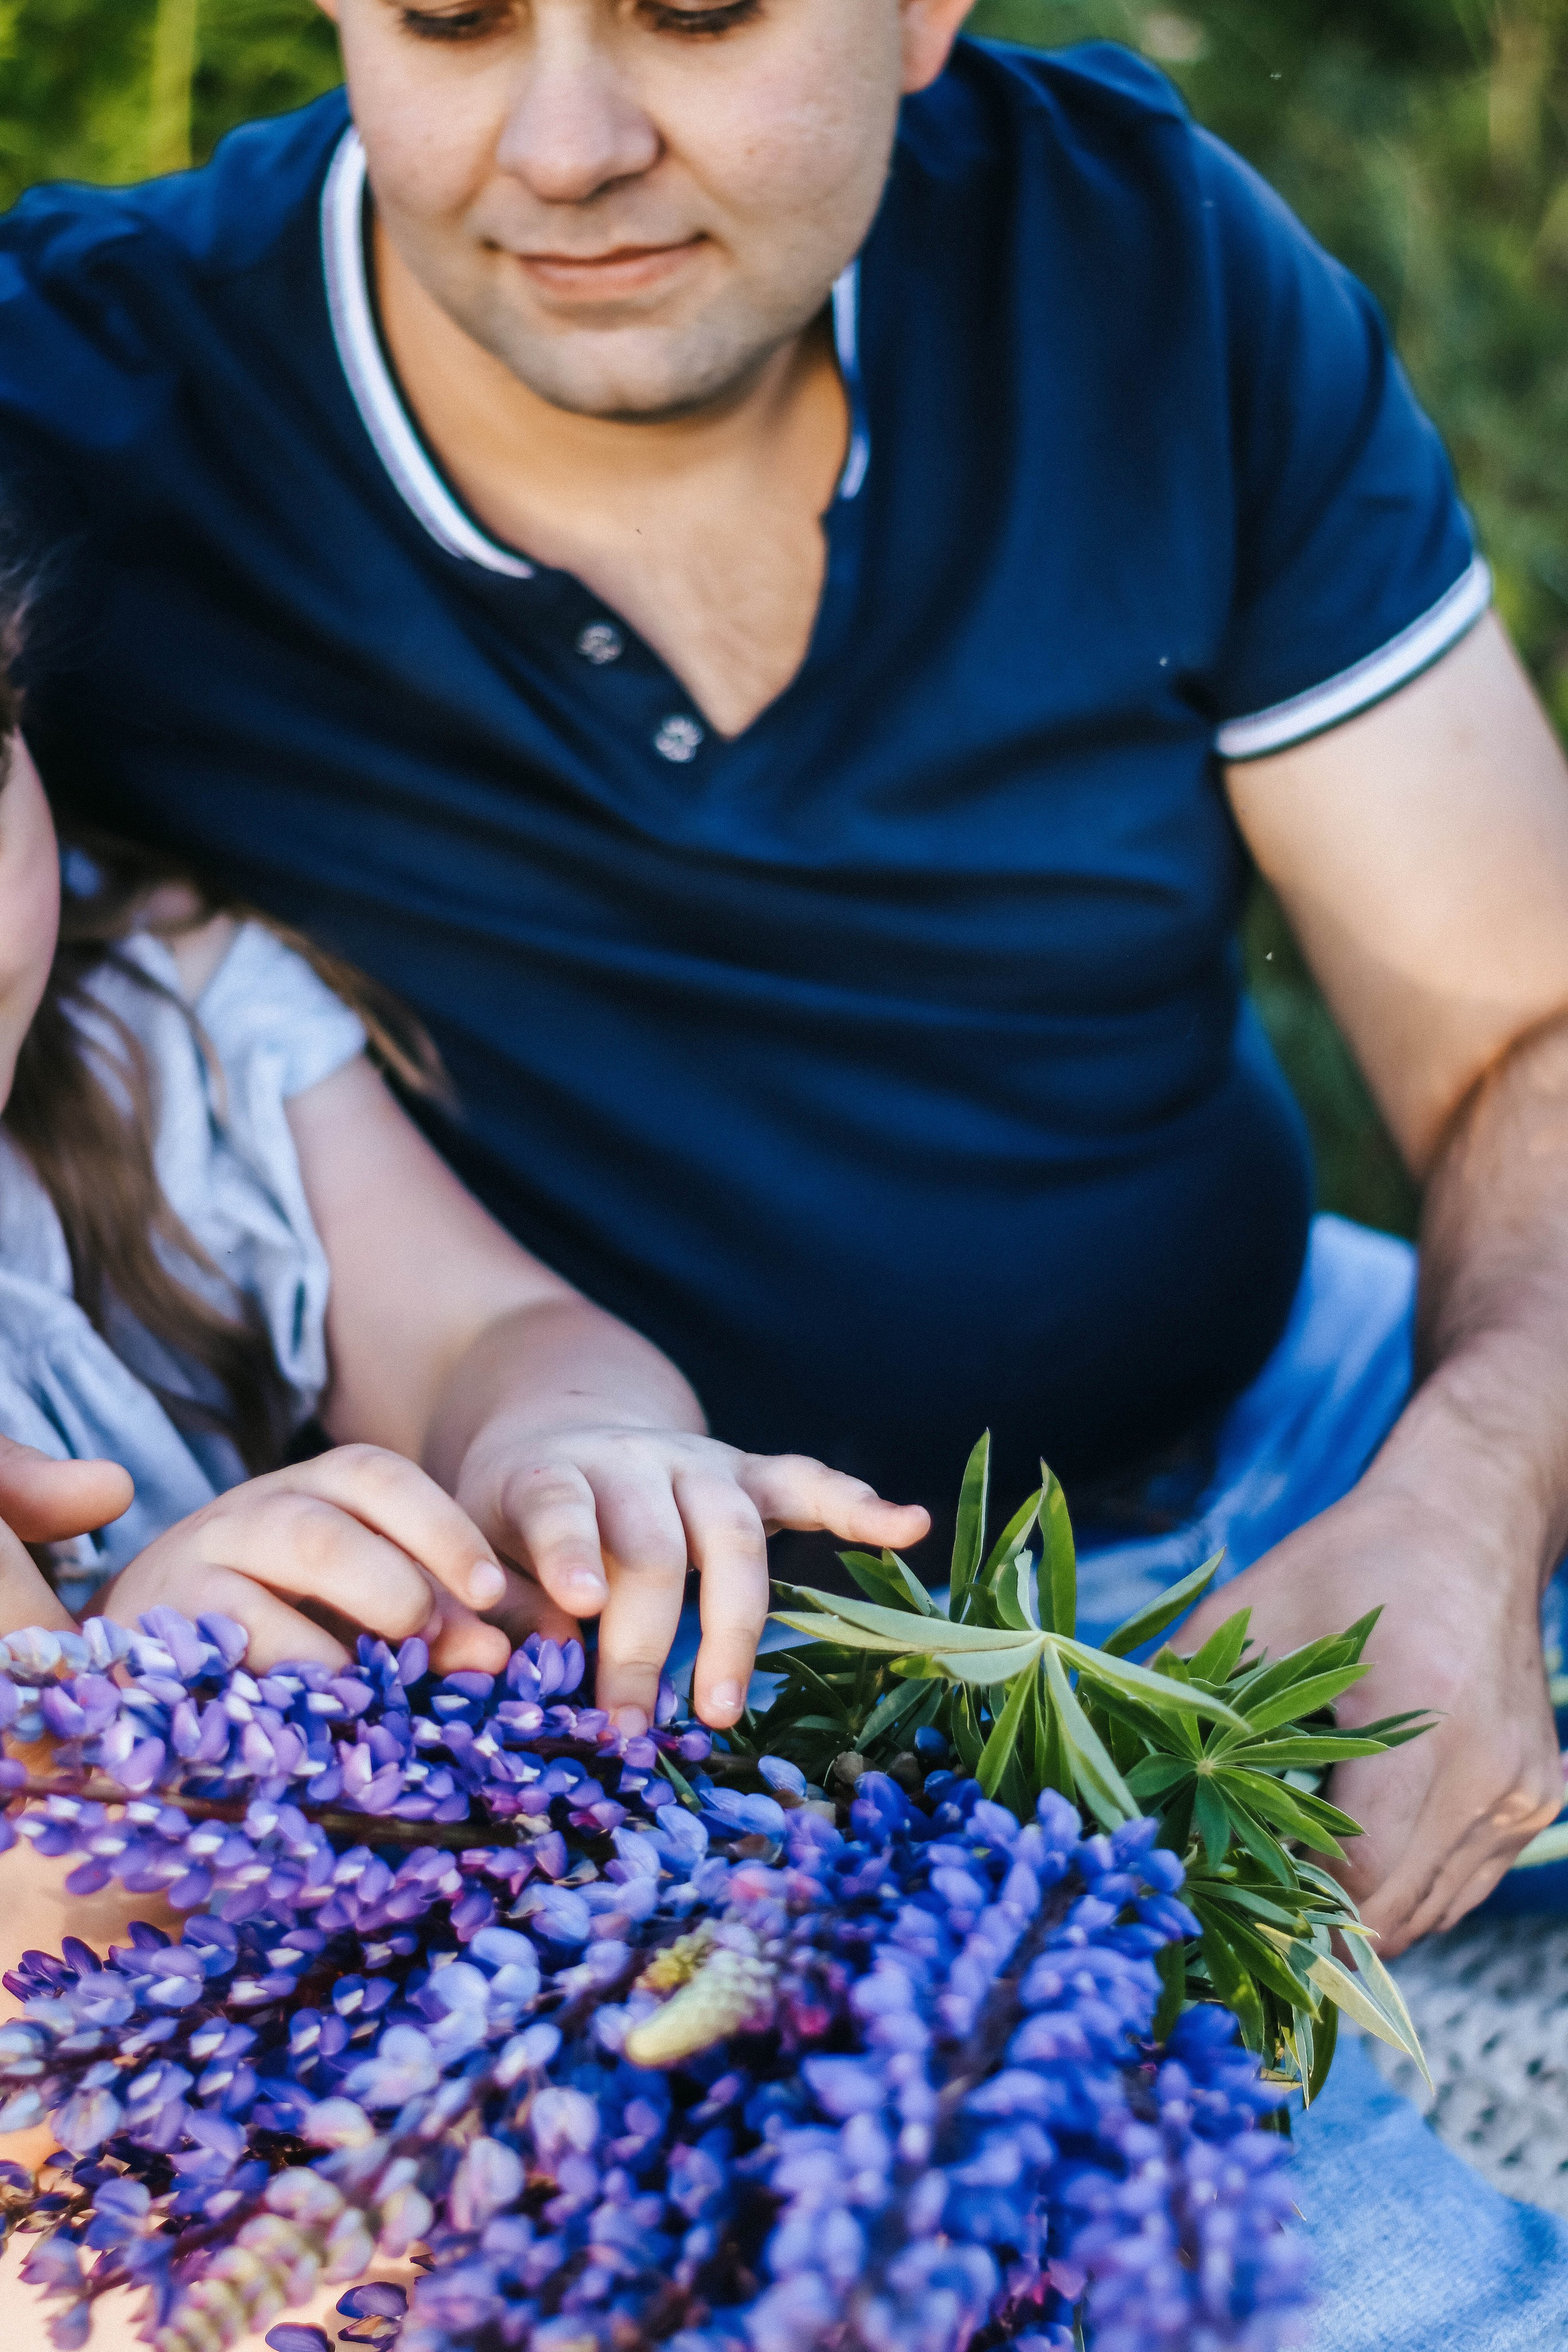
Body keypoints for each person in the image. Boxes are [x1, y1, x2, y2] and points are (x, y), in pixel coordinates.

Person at [5, 9, 1568, 2335]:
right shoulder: (78, 393)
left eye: (699, 7)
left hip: (1329, 1411)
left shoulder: (1135, 266)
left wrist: (1467, 1505)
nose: (566, 141)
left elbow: (1527, 1027)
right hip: (809, 1750)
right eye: (445, 17)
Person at [0, 622, 927, 1711]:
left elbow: (475, 1331)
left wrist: (557, 1437)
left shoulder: (161, 1020)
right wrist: (134, 1696)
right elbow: (52, 1880)